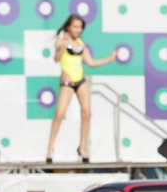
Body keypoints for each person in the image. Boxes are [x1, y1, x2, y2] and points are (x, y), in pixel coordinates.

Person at [46, 15, 118, 163]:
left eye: (80, 27)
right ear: (68, 27)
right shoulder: (61, 41)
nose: (78, 30)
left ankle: (82, 147)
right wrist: (64, 47)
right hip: (67, 82)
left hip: (81, 81)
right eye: (75, 27)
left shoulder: (80, 43)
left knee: (86, 113)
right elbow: (56, 58)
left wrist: (109, 59)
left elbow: (90, 62)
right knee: (59, 114)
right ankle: (50, 148)